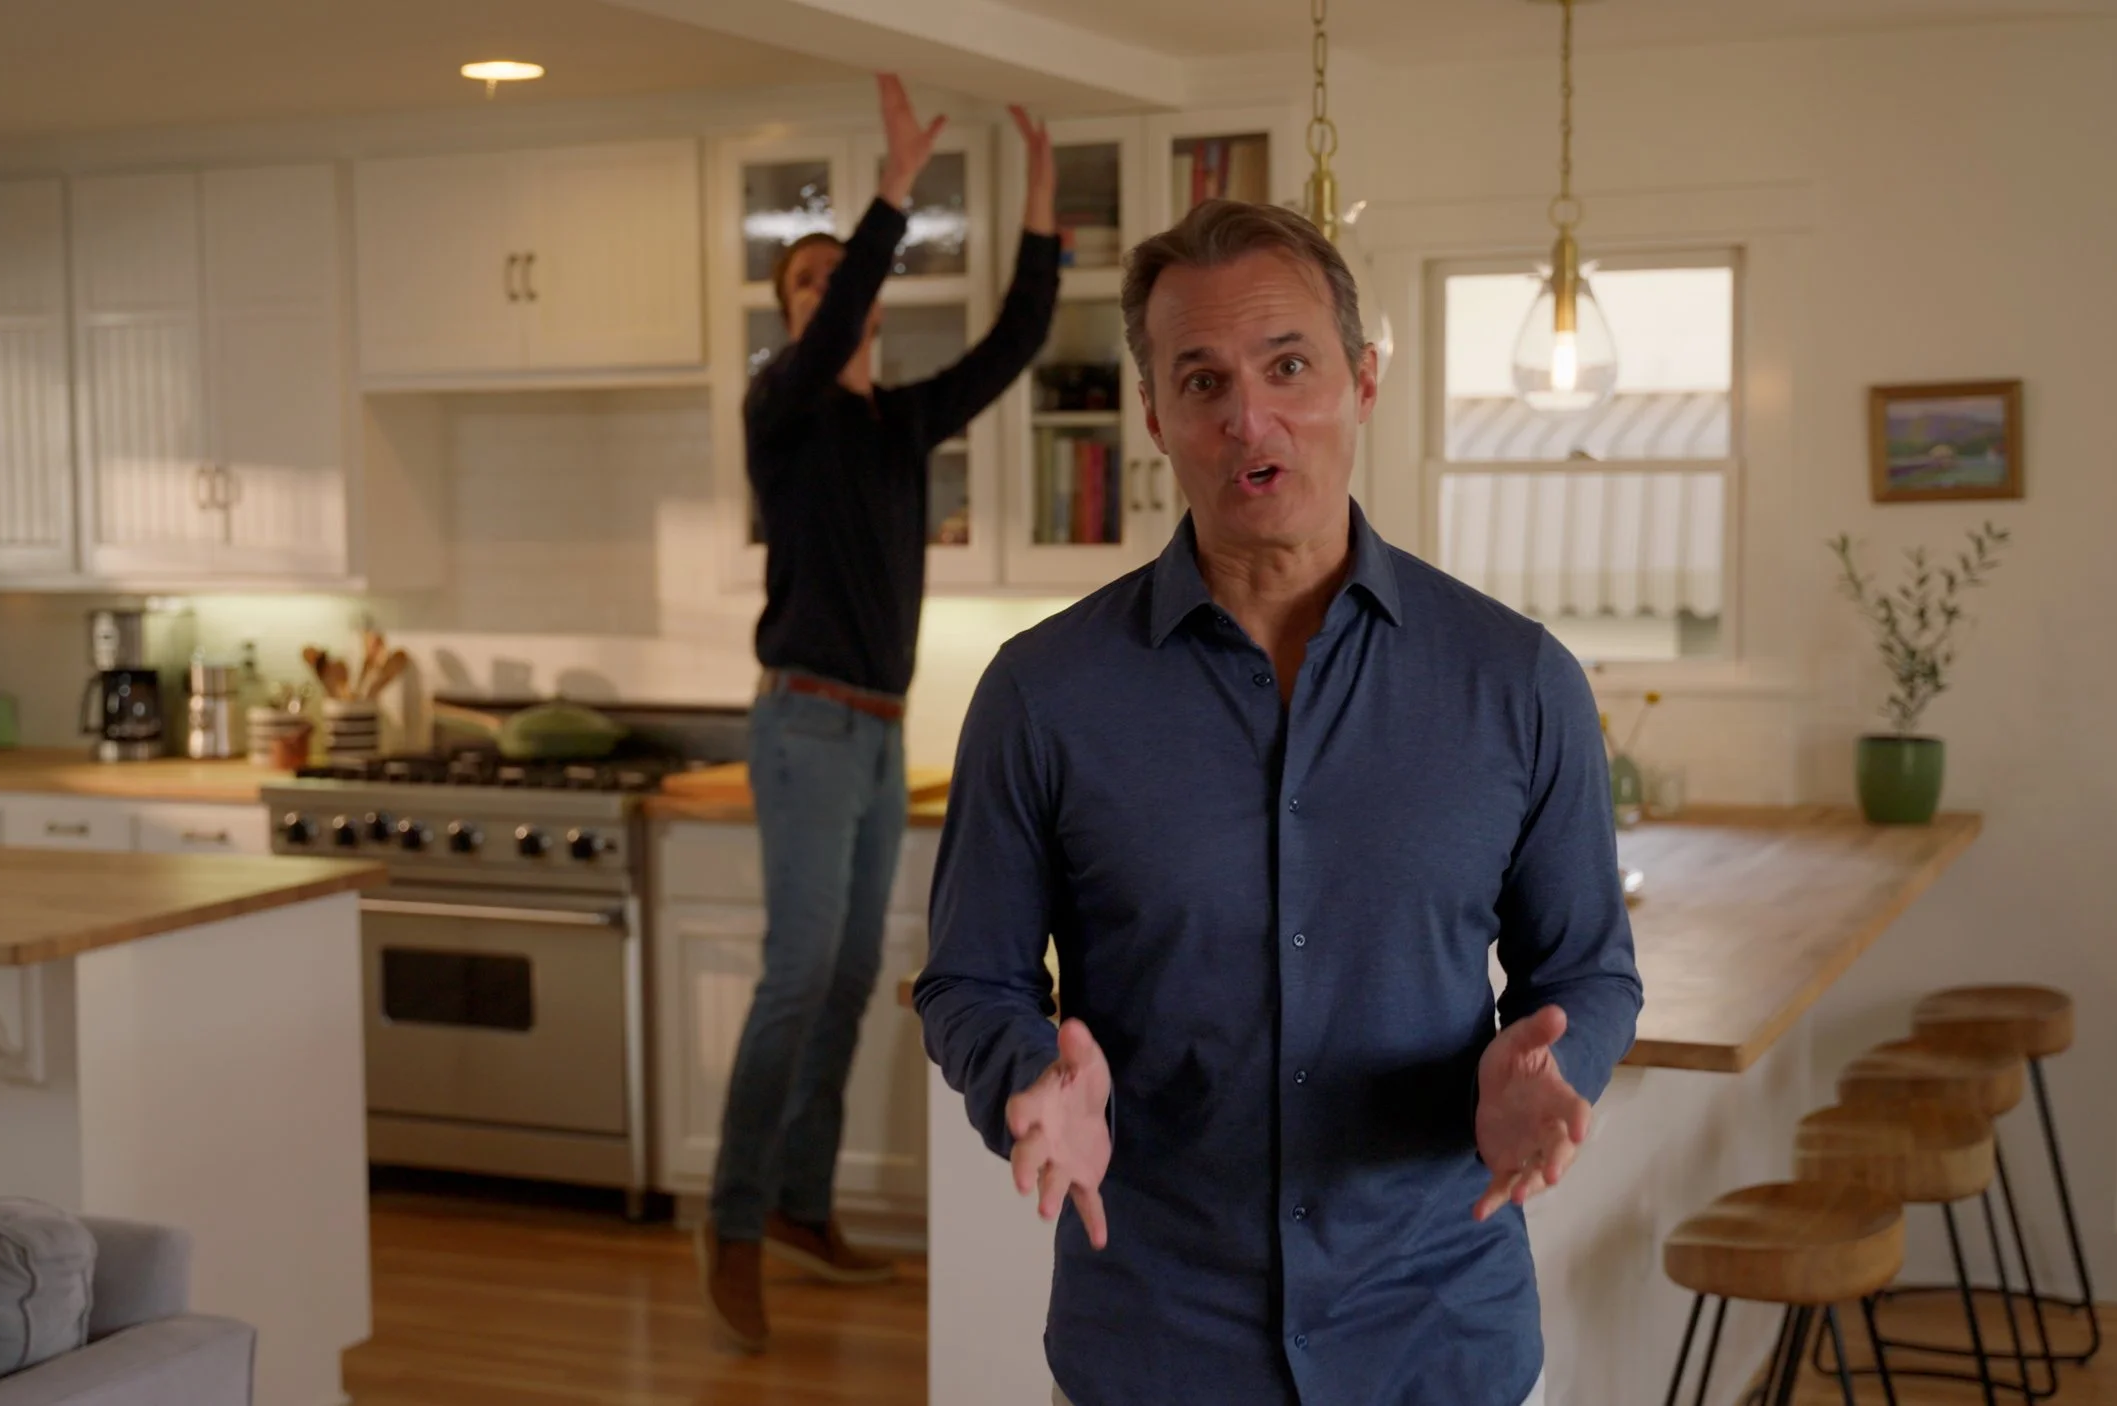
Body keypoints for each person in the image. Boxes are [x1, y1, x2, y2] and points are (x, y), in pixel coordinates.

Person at [914, 199, 1644, 1406]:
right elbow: (968, 976)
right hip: (1153, 1341)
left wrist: (1553, 1073)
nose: (1248, 419)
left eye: (1287, 366)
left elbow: (1591, 970)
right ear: (1154, 416)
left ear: (1361, 381)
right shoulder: (1042, 694)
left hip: (1437, 1339)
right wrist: (1025, 1074)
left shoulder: (1516, 681)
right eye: (1200, 381)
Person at [698, 73, 1060, 1353]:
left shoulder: (898, 427)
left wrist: (1042, 208)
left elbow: (1015, 344)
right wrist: (894, 191)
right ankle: (733, 1223)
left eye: (833, 283)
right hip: (801, 724)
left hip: (876, 729)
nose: (826, 299)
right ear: (797, 317)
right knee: (799, 973)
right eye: (804, 288)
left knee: (855, 974)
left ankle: (800, 1202)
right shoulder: (781, 416)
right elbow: (844, 297)